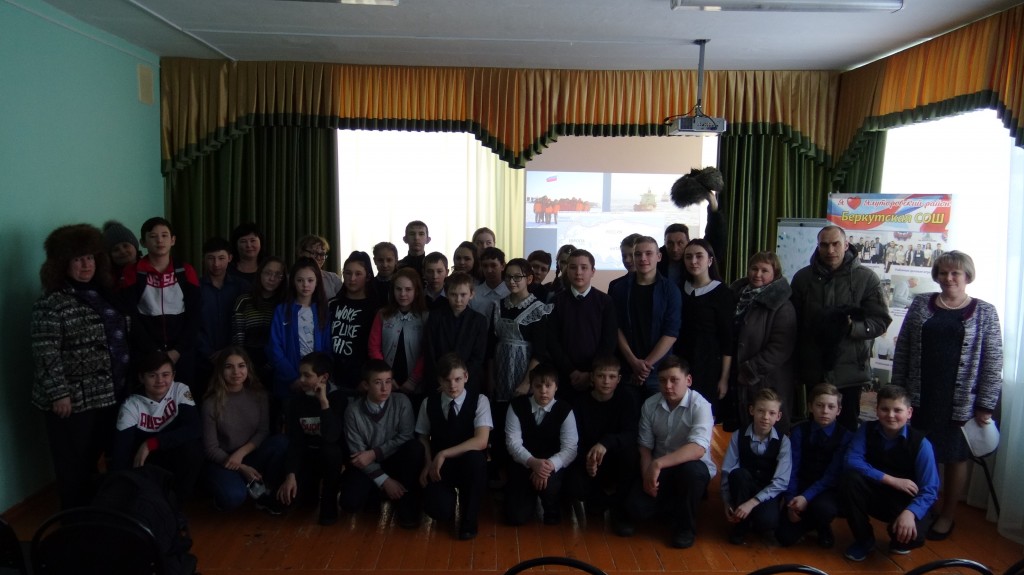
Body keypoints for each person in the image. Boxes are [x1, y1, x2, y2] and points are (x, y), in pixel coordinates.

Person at [891, 250, 1003, 540]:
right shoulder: (920, 304)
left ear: (967, 276)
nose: (949, 278)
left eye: (955, 273)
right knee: (921, 453)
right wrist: (897, 393)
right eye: (943, 272)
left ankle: (948, 514)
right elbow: (903, 349)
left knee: (955, 458)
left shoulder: (985, 311)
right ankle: (922, 508)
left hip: (960, 401)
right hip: (920, 395)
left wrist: (986, 404)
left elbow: (993, 361)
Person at [31, 223, 131, 509]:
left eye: (90, 257)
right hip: (73, 401)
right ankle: (75, 519)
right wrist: (59, 393)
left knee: (96, 459)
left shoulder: (103, 292)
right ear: (62, 263)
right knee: (73, 465)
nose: (86, 265)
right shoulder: (52, 303)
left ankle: (96, 513)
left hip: (109, 393)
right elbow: (45, 352)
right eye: (78, 259)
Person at [790, 225, 891, 430]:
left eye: (836, 244)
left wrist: (851, 327)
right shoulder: (802, 278)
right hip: (814, 369)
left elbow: (880, 321)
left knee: (847, 430)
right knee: (816, 429)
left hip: (850, 371)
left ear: (846, 245)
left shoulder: (867, 278)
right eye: (824, 245)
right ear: (818, 246)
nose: (830, 250)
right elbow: (793, 324)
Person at [615, 356, 715, 549]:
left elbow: (697, 449)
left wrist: (657, 464)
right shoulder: (650, 404)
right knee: (637, 508)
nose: (668, 386)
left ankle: (686, 528)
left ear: (688, 380)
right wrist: (647, 475)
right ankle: (671, 506)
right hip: (660, 470)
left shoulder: (701, 406)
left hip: (689, 467)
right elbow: (645, 447)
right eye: (662, 380)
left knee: (692, 472)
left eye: (674, 380)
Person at [840, 384, 939, 561]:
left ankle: (897, 536)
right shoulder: (866, 429)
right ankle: (864, 540)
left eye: (897, 410)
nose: (891, 415)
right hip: (875, 493)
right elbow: (851, 460)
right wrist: (892, 480)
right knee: (849, 479)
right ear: (877, 410)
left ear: (909, 412)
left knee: (912, 537)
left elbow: (930, 488)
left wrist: (911, 513)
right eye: (885, 409)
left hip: (903, 501)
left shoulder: (922, 444)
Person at [489, 258, 554, 480]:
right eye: (508, 277)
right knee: (499, 421)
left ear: (529, 279)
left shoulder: (539, 309)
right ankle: (500, 472)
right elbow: (490, 345)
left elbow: (540, 351)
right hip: (500, 370)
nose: (512, 281)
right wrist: (491, 377)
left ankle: (523, 473)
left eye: (518, 277)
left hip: (524, 372)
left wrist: (527, 382)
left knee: (522, 421)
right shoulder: (498, 305)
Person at [201, 347, 286, 514]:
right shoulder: (210, 403)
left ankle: (263, 489)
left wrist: (241, 454)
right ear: (220, 370)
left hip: (249, 454)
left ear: (248, 368)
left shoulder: (259, 395)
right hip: (223, 461)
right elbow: (210, 449)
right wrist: (240, 467)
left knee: (281, 442)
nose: (236, 372)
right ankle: (238, 486)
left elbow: (263, 431)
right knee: (233, 497)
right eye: (229, 367)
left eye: (241, 366)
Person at [416, 353, 492, 540]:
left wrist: (444, 453)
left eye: (457, 379)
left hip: (468, 464)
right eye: (447, 380)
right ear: (439, 380)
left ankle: (469, 521)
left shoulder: (480, 400)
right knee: (438, 510)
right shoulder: (429, 402)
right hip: (441, 467)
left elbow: (481, 440)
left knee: (476, 460)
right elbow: (422, 436)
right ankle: (447, 503)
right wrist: (428, 463)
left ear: (466, 376)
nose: (452, 385)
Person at [341, 359, 424, 529]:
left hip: (395, 460)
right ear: (366, 385)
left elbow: (406, 437)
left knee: (415, 448)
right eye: (378, 382)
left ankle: (405, 499)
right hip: (368, 466)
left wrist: (374, 453)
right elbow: (358, 456)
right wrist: (385, 480)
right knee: (349, 502)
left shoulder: (401, 401)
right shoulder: (353, 411)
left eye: (388, 381)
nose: (385, 388)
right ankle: (378, 492)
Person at [120, 216, 201, 387]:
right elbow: (130, 317)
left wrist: (178, 350)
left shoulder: (186, 271)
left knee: (184, 397)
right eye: (153, 236)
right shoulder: (132, 273)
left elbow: (195, 315)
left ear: (173, 240)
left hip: (182, 354)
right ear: (143, 242)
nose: (159, 240)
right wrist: (153, 351)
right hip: (146, 353)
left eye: (164, 235)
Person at [112, 351, 204, 501]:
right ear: (141, 378)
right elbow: (121, 454)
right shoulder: (131, 405)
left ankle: (177, 505)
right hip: (146, 462)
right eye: (152, 375)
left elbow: (194, 429)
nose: (160, 380)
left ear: (173, 375)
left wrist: (151, 443)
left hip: (171, 452)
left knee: (193, 450)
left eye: (165, 374)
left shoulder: (180, 389)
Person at [776, 383, 852, 549]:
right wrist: (790, 501)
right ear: (810, 407)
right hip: (801, 485)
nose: (825, 411)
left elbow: (832, 475)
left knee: (824, 509)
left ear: (838, 410)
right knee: (784, 537)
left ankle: (822, 526)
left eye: (831, 407)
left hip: (826, 490)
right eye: (819, 405)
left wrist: (806, 497)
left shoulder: (845, 437)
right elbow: (792, 468)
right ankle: (806, 520)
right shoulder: (799, 431)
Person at [729, 251, 797, 432]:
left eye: (764, 270)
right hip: (737, 376)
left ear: (775, 274)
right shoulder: (735, 297)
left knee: (766, 432)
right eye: (754, 268)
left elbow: (780, 348)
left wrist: (750, 370)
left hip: (766, 379)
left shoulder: (783, 306)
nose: (757, 274)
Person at [276, 352, 347, 524]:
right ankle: (310, 491)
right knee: (289, 502)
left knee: (330, 451)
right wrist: (291, 474)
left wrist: (324, 403)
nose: (301, 380)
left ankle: (329, 502)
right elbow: (295, 441)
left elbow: (332, 436)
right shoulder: (295, 402)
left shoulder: (338, 397)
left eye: (307, 375)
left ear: (324, 378)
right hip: (307, 456)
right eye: (300, 374)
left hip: (331, 458)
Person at [503, 363, 578, 525]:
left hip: (551, 468)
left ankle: (552, 507)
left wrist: (546, 467)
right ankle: (528, 500)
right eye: (538, 386)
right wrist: (532, 462)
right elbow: (512, 443)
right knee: (516, 517)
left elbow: (570, 448)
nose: (543, 391)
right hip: (523, 464)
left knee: (550, 487)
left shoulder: (565, 410)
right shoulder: (516, 406)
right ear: (531, 387)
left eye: (548, 386)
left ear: (556, 387)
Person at [609, 236, 681, 396]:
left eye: (648, 253)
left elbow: (671, 332)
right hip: (628, 369)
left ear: (659, 256)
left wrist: (645, 366)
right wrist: (634, 363)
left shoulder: (670, 290)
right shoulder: (620, 289)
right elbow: (616, 328)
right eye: (638, 254)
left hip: (659, 371)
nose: (643, 258)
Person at [566, 356, 638, 516]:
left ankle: (620, 510)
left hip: (614, 458)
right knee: (574, 485)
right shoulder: (579, 403)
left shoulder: (626, 400)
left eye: (612, 376)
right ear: (592, 377)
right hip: (587, 459)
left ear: (619, 379)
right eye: (601, 376)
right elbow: (573, 440)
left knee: (631, 455)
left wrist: (606, 443)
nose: (606, 381)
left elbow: (631, 434)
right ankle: (597, 502)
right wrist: (588, 460)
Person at [720, 388, 791, 545]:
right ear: (752, 410)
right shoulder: (738, 435)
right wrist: (726, 501)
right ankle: (740, 524)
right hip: (743, 486)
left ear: (778, 416)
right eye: (760, 411)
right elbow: (727, 471)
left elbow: (781, 481)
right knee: (738, 474)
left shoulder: (784, 442)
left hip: (766, 490)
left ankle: (752, 514)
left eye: (772, 413)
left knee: (767, 522)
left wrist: (752, 503)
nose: (765, 417)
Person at [676, 239, 736, 420]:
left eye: (699, 256)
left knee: (704, 418)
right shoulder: (679, 289)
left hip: (710, 367)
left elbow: (728, 340)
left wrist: (724, 378)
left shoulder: (723, 293)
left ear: (710, 260)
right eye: (688, 257)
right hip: (682, 364)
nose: (693, 261)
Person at [549, 249, 618, 399]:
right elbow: (553, 341)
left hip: (595, 378)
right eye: (573, 267)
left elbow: (609, 341)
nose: (578, 272)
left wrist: (591, 373)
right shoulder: (556, 301)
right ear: (567, 271)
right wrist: (571, 371)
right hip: (565, 376)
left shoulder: (605, 302)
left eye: (584, 268)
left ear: (593, 271)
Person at [266, 257, 332, 409]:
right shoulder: (282, 310)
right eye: (300, 280)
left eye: (310, 280)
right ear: (293, 282)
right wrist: (294, 378)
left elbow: (327, 348)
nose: (305, 285)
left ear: (317, 282)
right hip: (288, 381)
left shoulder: (323, 311)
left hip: (316, 381)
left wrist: (317, 376)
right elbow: (274, 347)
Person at [197, 237, 247, 400]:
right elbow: (191, 324)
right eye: (211, 258)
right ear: (204, 259)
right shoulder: (195, 287)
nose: (216, 264)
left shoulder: (242, 287)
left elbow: (247, 323)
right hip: (203, 359)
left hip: (236, 360)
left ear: (230, 258)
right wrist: (208, 352)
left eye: (221, 258)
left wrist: (229, 352)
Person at [424, 272, 488, 391]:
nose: (458, 300)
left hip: (467, 381)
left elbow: (478, 356)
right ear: (446, 294)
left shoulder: (479, 321)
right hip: (439, 381)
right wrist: (441, 379)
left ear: (471, 294)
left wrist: (460, 379)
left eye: (463, 294)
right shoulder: (435, 317)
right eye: (453, 294)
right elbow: (430, 351)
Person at [328, 251, 381, 392]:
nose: (352, 278)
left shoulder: (375, 309)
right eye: (348, 273)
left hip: (362, 380)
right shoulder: (332, 304)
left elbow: (375, 347)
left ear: (367, 276)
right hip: (331, 377)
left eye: (358, 274)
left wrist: (367, 377)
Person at [231, 256, 287, 388]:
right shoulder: (244, 301)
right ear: (260, 273)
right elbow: (238, 338)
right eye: (268, 273)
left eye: (278, 275)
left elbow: (284, 340)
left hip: (277, 363)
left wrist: (270, 366)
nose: (272, 278)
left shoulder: (285, 304)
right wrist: (246, 366)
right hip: (246, 364)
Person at [469, 246, 509, 315]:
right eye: (485, 266)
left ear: (503, 266)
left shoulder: (510, 292)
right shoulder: (474, 294)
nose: (489, 270)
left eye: (493, 265)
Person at [228, 222, 264, 286]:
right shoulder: (227, 269)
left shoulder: (269, 266)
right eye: (243, 241)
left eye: (253, 240)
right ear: (236, 245)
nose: (249, 245)